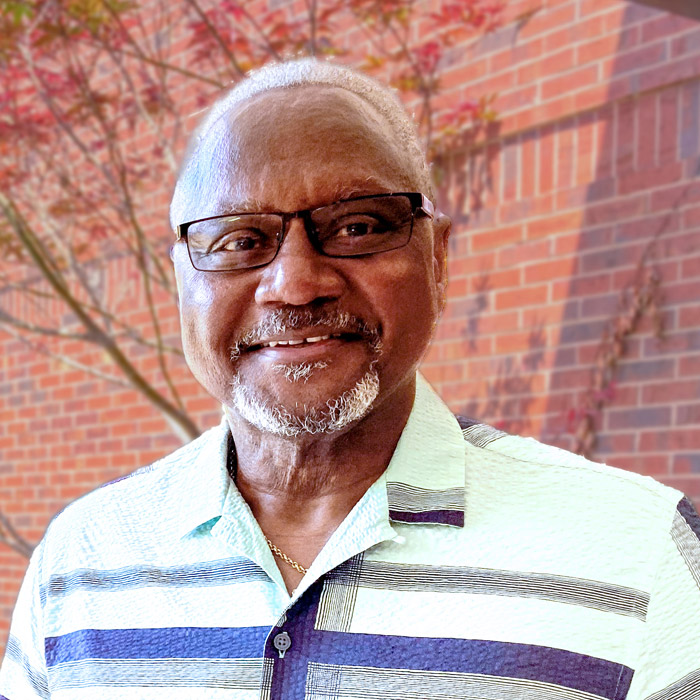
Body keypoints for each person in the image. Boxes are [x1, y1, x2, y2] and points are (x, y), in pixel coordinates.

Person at [1, 58, 699, 700]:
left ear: (437, 260)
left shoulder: (641, 556)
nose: (296, 284)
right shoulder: (81, 563)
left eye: (359, 226)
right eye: (240, 240)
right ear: (181, 281)